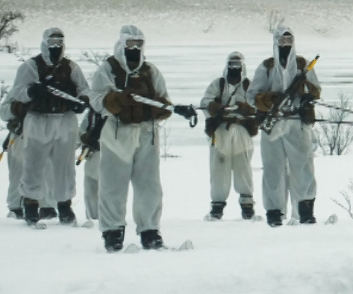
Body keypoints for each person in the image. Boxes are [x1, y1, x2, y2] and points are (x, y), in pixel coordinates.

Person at [89, 25, 192, 252]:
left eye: (138, 44)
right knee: (113, 184)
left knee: (149, 184)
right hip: (117, 132)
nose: (134, 48)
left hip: (146, 133)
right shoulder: (107, 69)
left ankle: (150, 230)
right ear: (122, 44)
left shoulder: (150, 71)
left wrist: (161, 109)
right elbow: (95, 99)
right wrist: (115, 100)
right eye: (130, 44)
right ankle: (112, 232)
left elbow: (163, 99)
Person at [5, 27, 90, 227]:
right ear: (44, 42)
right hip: (37, 119)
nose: (56, 46)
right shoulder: (30, 66)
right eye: (52, 42)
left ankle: (64, 206)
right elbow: (17, 92)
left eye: (59, 42)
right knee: (33, 164)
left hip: (65, 120)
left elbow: (84, 88)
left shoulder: (71, 67)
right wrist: (32, 91)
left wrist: (82, 100)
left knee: (64, 166)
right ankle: (31, 205)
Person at [252, 25, 321, 226]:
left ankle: (305, 210)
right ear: (275, 42)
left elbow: (316, 90)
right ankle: (274, 212)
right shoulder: (266, 67)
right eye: (282, 41)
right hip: (272, 124)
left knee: (303, 166)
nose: (286, 45)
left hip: (296, 122)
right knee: (273, 169)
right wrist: (267, 99)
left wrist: (306, 91)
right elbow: (252, 95)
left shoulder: (302, 65)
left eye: (289, 41)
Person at [201, 52, 259, 220]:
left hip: (242, 132)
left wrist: (247, 109)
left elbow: (260, 105)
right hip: (220, 133)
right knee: (218, 169)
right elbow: (205, 103)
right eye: (232, 65)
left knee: (244, 168)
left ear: (243, 66)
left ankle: (247, 206)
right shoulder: (218, 85)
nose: (235, 68)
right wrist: (215, 107)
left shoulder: (250, 86)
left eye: (237, 65)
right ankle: (217, 207)